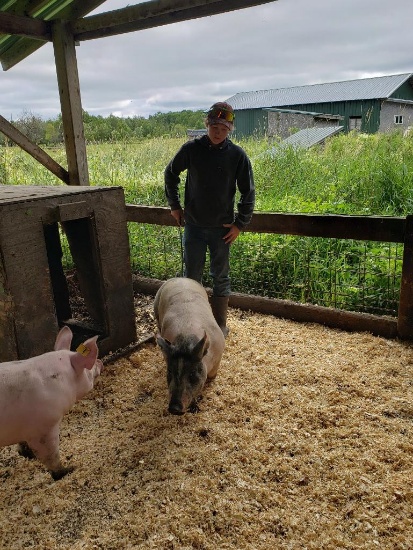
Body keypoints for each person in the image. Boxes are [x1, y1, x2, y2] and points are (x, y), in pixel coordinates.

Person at [164, 101, 255, 336]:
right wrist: (174, 206)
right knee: (191, 278)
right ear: (207, 124)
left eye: (224, 128)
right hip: (193, 226)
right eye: (215, 126)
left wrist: (239, 224)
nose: (218, 132)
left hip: (222, 230)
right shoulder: (191, 149)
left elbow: (249, 191)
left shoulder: (237, 155)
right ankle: (191, 327)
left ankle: (220, 326)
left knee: (220, 277)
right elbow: (170, 173)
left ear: (230, 130)